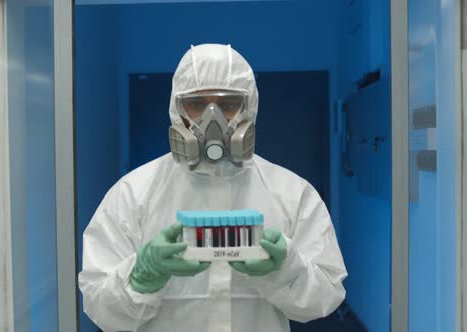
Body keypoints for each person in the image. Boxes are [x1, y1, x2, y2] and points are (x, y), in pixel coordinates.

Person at [78, 44, 347, 332]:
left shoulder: (292, 194)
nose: (212, 120)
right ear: (176, 109)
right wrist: (142, 275)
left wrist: (285, 269)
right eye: (196, 105)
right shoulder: (133, 194)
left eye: (228, 105)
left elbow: (326, 296)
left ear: (250, 108)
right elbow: (100, 308)